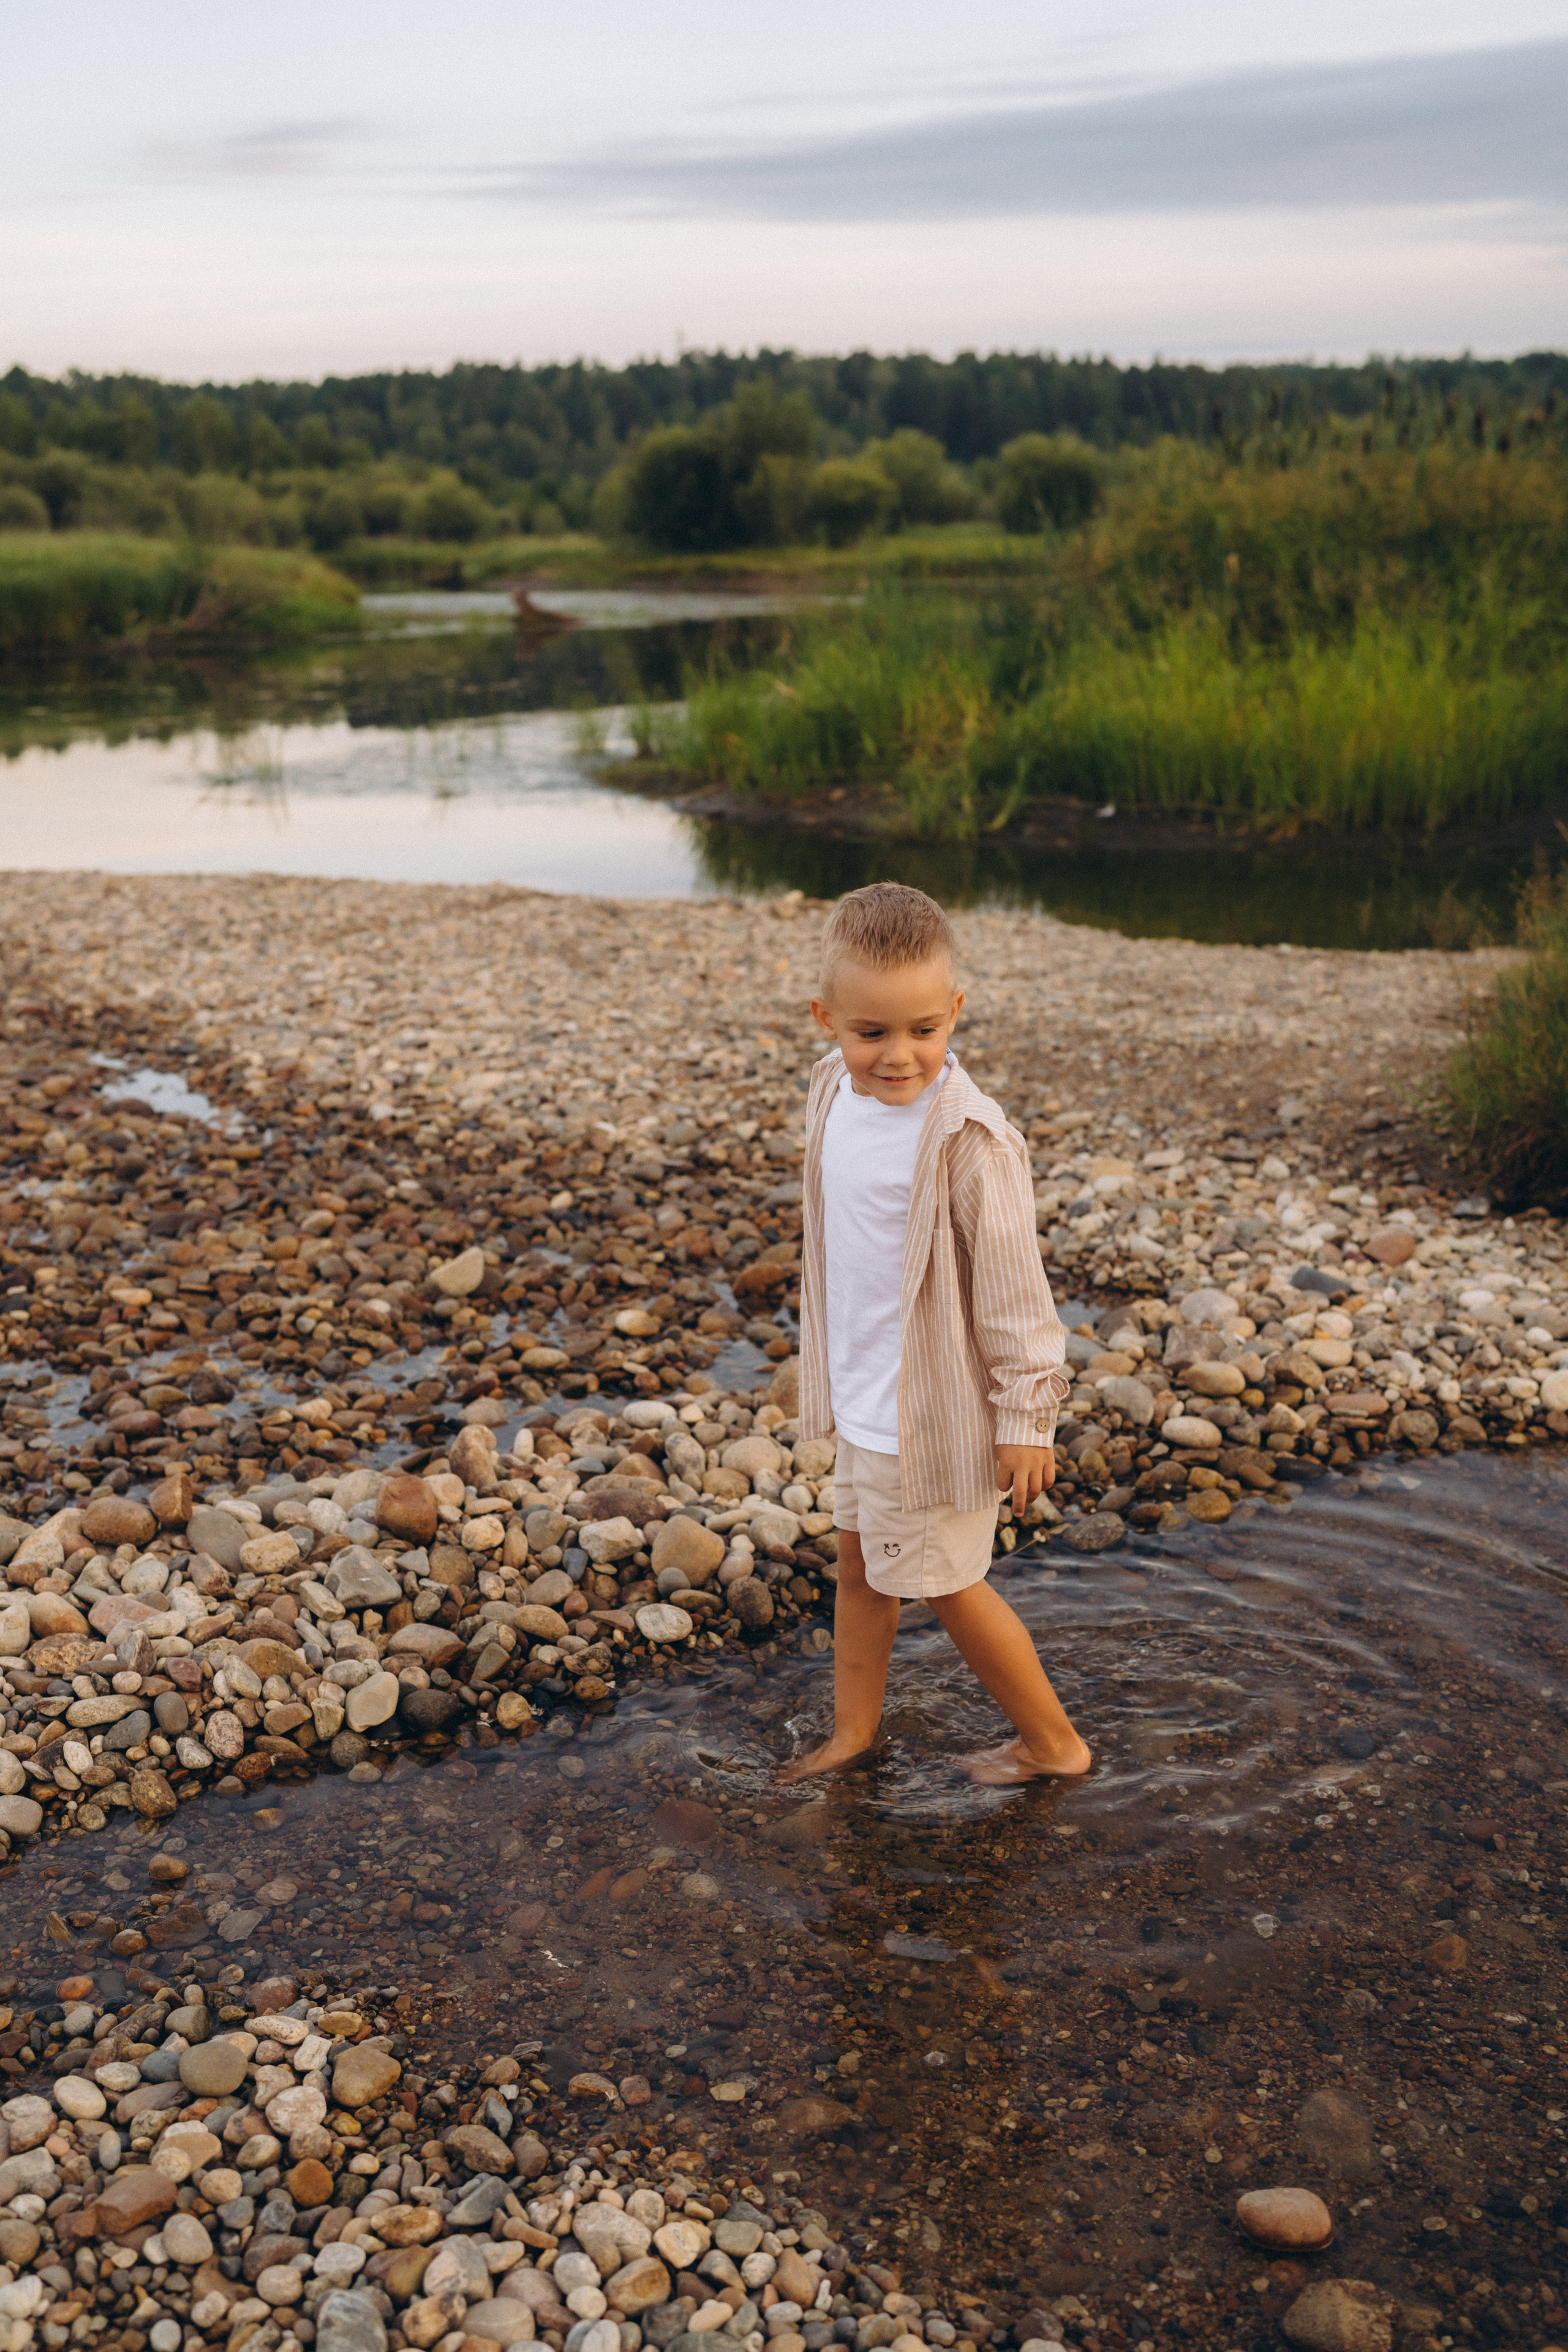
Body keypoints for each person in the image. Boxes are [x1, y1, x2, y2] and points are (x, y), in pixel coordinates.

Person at [780, 881, 1091, 1786]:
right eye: (871, 1032)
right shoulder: (830, 1094)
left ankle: (1053, 1745)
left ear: (955, 1010)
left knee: (949, 1584)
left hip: (934, 1414)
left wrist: (1029, 1416)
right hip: (868, 1398)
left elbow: (1013, 1293)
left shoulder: (971, 1142)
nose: (899, 1055)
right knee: (861, 1568)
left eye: (925, 1028)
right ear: (826, 1018)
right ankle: (854, 1735)